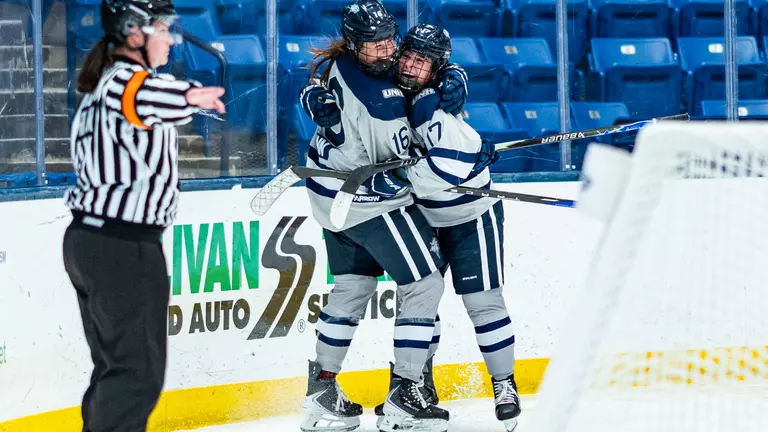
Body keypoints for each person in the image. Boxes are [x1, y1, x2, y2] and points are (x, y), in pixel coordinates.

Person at [298, 1, 466, 431]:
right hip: (368, 203)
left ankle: (321, 389)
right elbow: (385, 163)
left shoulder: (358, 68)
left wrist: (451, 77)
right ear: (355, 44)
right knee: (425, 283)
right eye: (375, 45)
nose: (387, 51)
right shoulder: (363, 94)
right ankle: (405, 393)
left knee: (352, 288)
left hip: (333, 205)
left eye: (389, 41)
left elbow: (415, 75)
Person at [62, 1, 225, 431]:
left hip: (97, 242)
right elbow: (145, 96)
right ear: (135, 33)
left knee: (118, 370)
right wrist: (190, 94)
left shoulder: (106, 86)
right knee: (136, 375)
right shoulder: (123, 83)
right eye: (163, 29)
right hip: (121, 247)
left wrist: (183, 97)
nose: (171, 38)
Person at [373, 24, 522, 432]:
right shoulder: (383, 84)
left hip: (472, 215)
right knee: (419, 303)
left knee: (483, 304)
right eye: (408, 56)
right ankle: (416, 385)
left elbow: (446, 149)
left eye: (423, 62)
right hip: (422, 214)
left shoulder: (440, 97)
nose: (410, 66)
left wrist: (468, 153)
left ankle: (504, 384)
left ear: (435, 70)